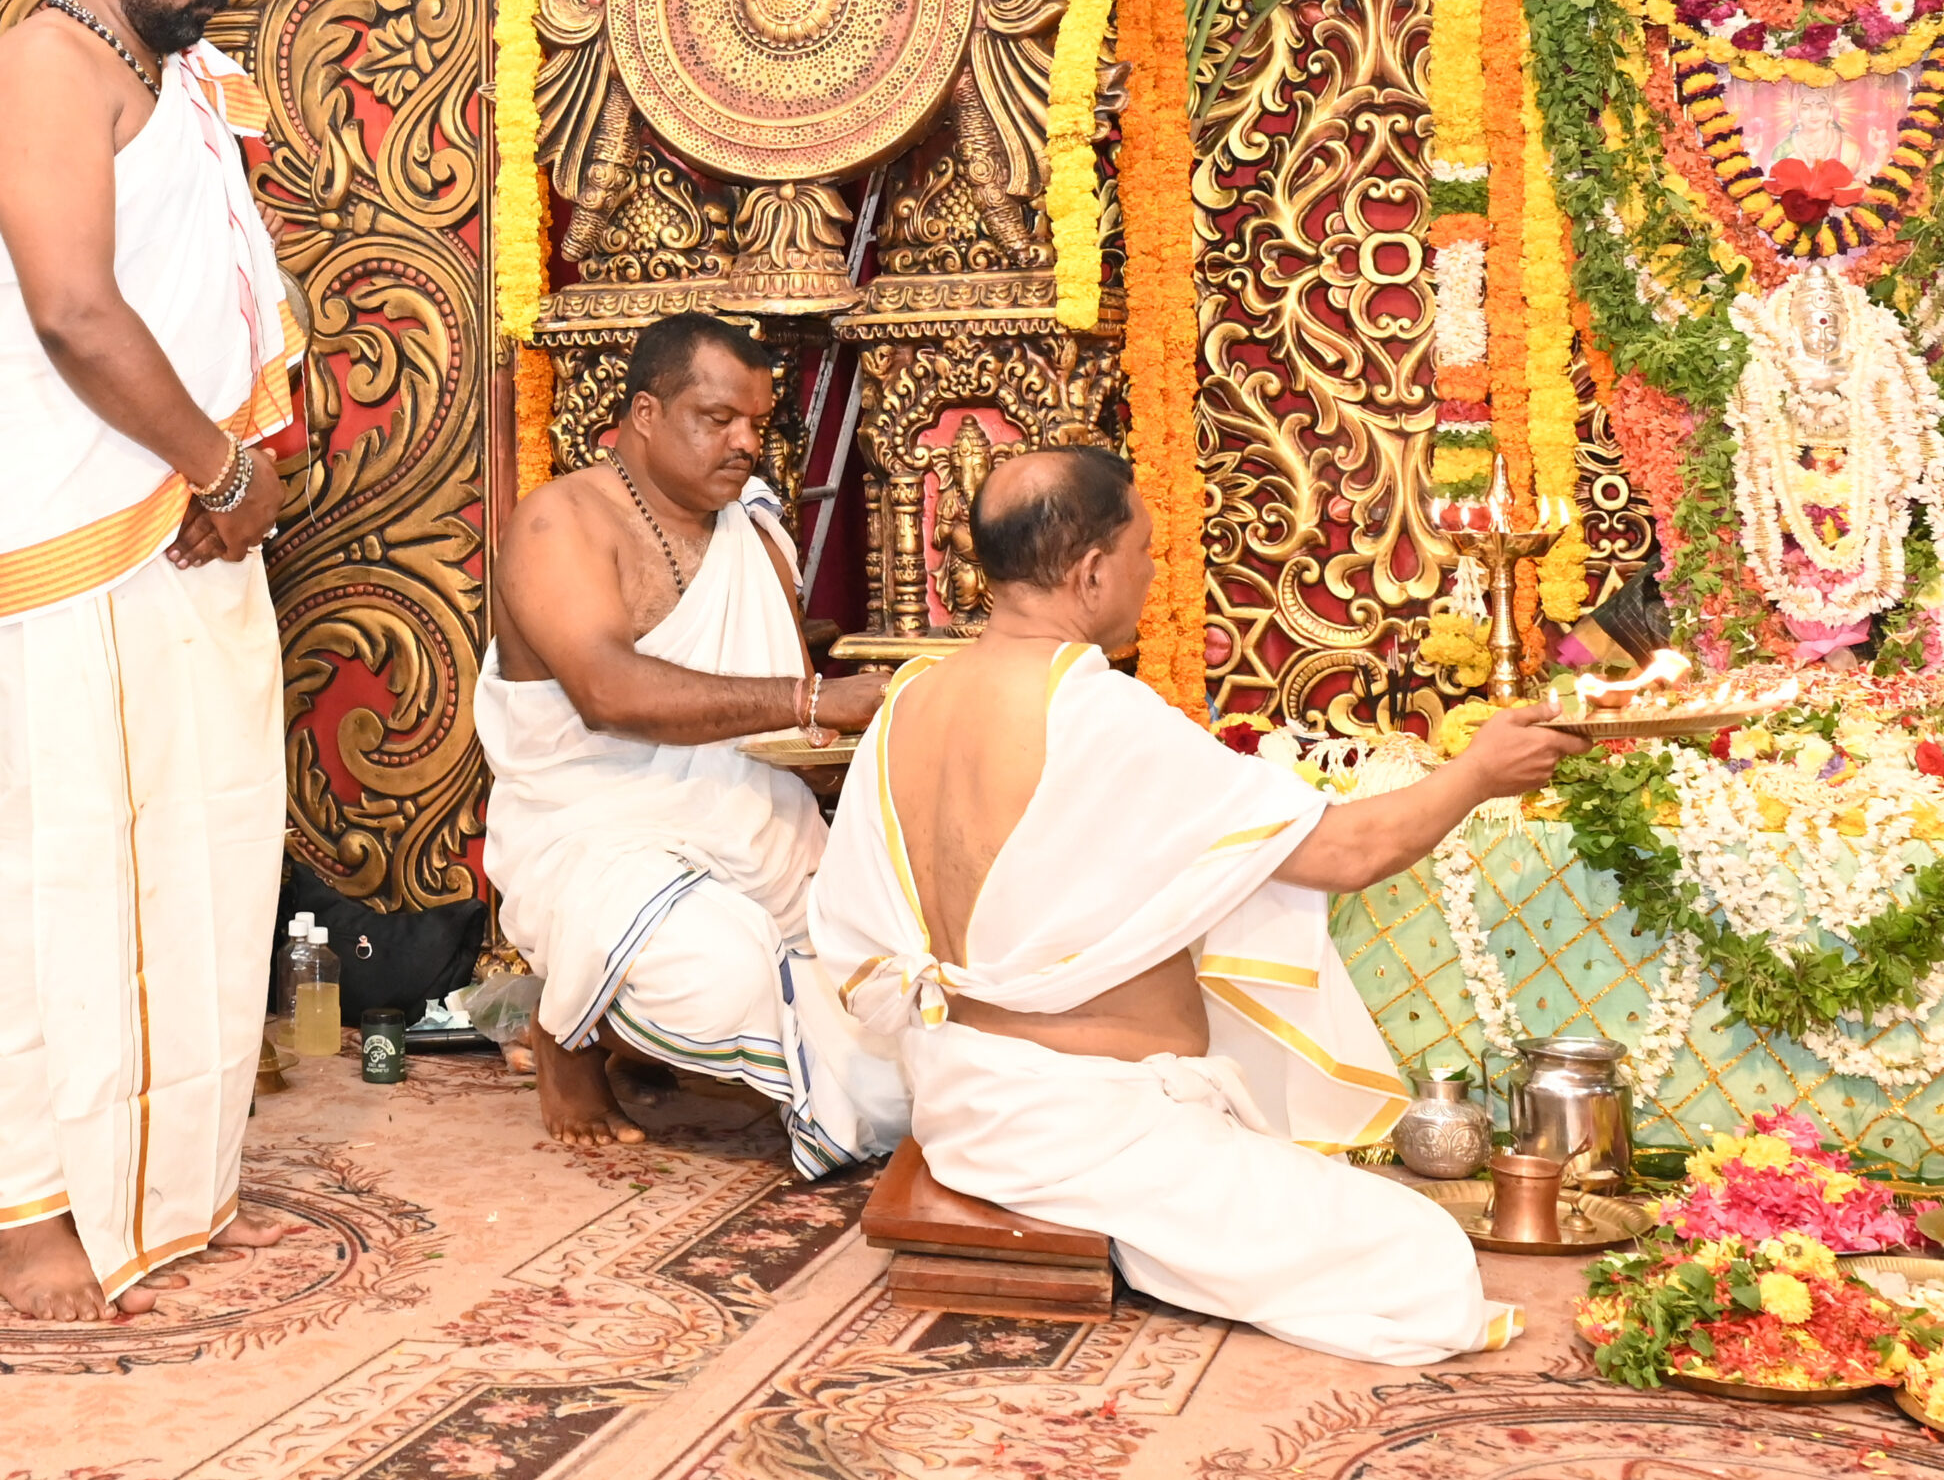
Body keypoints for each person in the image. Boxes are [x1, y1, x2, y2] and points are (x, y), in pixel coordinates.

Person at [809, 446, 1591, 1365]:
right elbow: (1345, 852)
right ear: (1090, 571)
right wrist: (1480, 773)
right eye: (1144, 550)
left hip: (964, 1091)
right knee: (1421, 1262)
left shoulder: (910, 697)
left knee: (1307, 1168)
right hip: (1079, 1122)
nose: (1152, 572)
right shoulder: (1097, 713)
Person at [0, 0, 304, 1322]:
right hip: (78, 536)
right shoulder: (47, 67)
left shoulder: (174, 74)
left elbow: (223, 294)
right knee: (55, 873)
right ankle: (29, 1203)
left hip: (184, 514)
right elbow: (71, 308)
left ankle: (157, 1171)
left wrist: (238, 469)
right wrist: (221, 469)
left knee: (194, 849)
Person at [480, 312, 908, 1174]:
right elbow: (607, 692)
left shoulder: (756, 534)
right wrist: (815, 699)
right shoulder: (561, 523)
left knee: (898, 988)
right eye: (718, 419)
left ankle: (625, 1021)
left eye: (757, 422)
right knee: (724, 973)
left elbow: (782, 716)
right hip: (599, 835)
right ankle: (570, 1028)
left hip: (754, 819)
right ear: (646, 412)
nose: (746, 442)